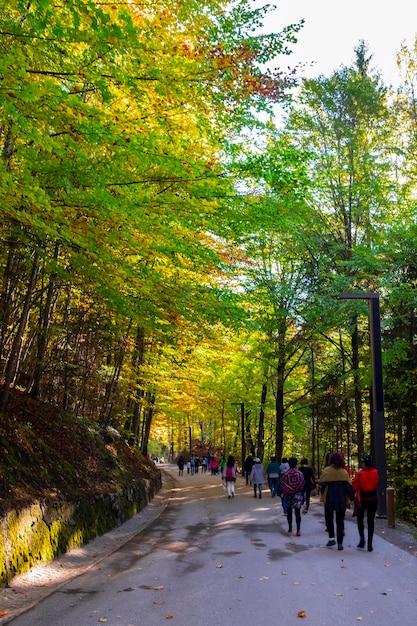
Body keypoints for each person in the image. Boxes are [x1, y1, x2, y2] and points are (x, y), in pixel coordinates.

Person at [319, 452, 353, 550]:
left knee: (329, 518)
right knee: (340, 520)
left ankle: (331, 538)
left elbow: (322, 484)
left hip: (329, 497)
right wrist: (352, 498)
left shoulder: (327, 471)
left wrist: (322, 492)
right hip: (341, 498)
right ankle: (340, 543)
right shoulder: (344, 472)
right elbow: (348, 486)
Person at [352, 454, 379, 552]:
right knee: (371, 521)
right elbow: (376, 483)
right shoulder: (376, 472)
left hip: (362, 499)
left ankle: (362, 539)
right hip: (373, 498)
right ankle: (370, 544)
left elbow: (355, 487)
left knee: (360, 519)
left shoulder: (359, 474)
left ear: (364, 463)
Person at [280, 457, 305, 536]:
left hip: (289, 496)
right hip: (297, 496)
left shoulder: (286, 474)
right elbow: (302, 483)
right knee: (298, 513)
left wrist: (289, 490)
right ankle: (298, 530)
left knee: (289, 512)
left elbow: (283, 485)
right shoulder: (299, 474)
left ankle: (290, 528)